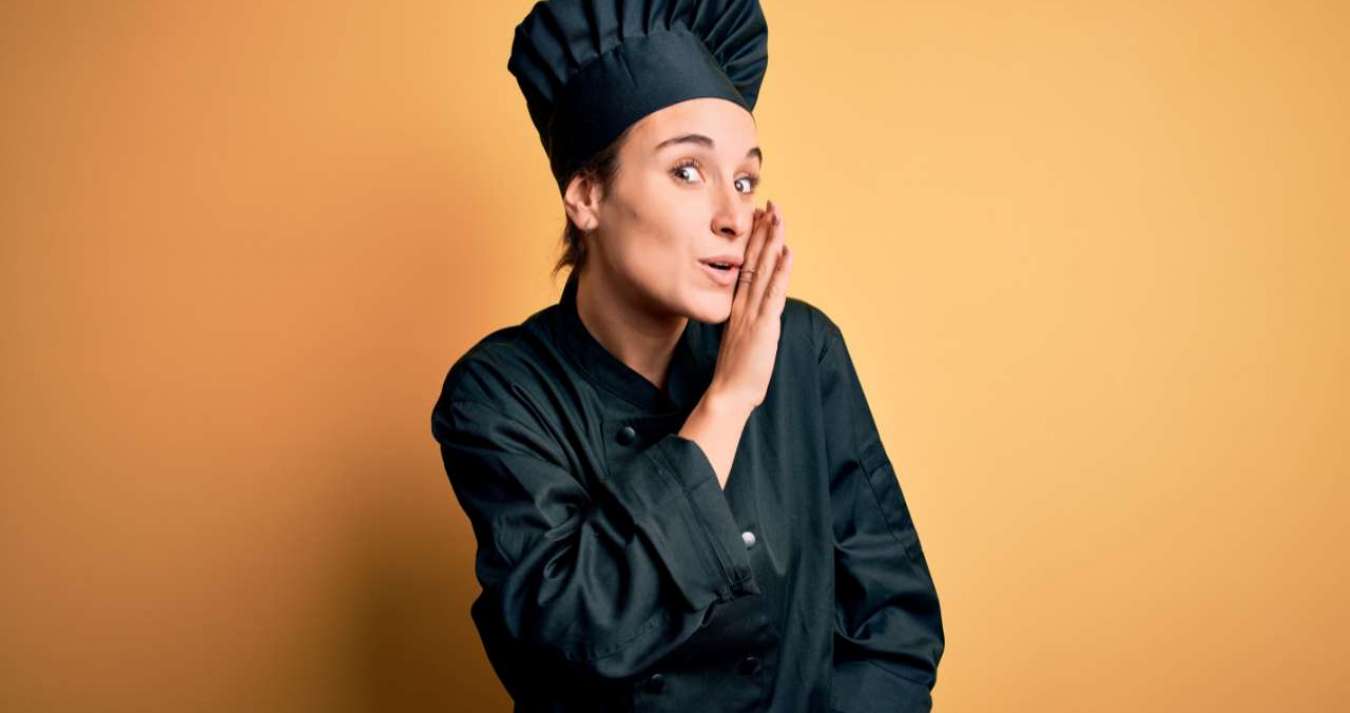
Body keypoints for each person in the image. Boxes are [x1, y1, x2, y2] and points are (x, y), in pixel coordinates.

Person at [429, 1, 944, 711]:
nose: (734, 216)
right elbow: (576, 636)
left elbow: (893, 628)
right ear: (586, 194)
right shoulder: (498, 394)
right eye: (687, 172)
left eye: (743, 180)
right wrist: (727, 403)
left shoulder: (803, 351)